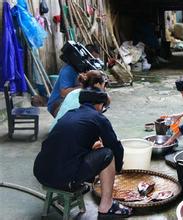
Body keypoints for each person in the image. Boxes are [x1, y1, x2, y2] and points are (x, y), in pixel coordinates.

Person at [34, 87, 133, 218]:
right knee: (108, 154)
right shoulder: (98, 118)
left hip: (41, 172)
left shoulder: (69, 114)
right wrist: (118, 168)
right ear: (99, 105)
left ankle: (76, 180)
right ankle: (106, 206)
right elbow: (116, 148)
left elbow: (68, 145)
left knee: (92, 150)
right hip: (63, 179)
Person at [47, 44, 100, 117]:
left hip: (66, 101)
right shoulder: (68, 70)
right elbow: (64, 93)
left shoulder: (83, 70)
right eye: (91, 59)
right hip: (56, 104)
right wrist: (84, 86)